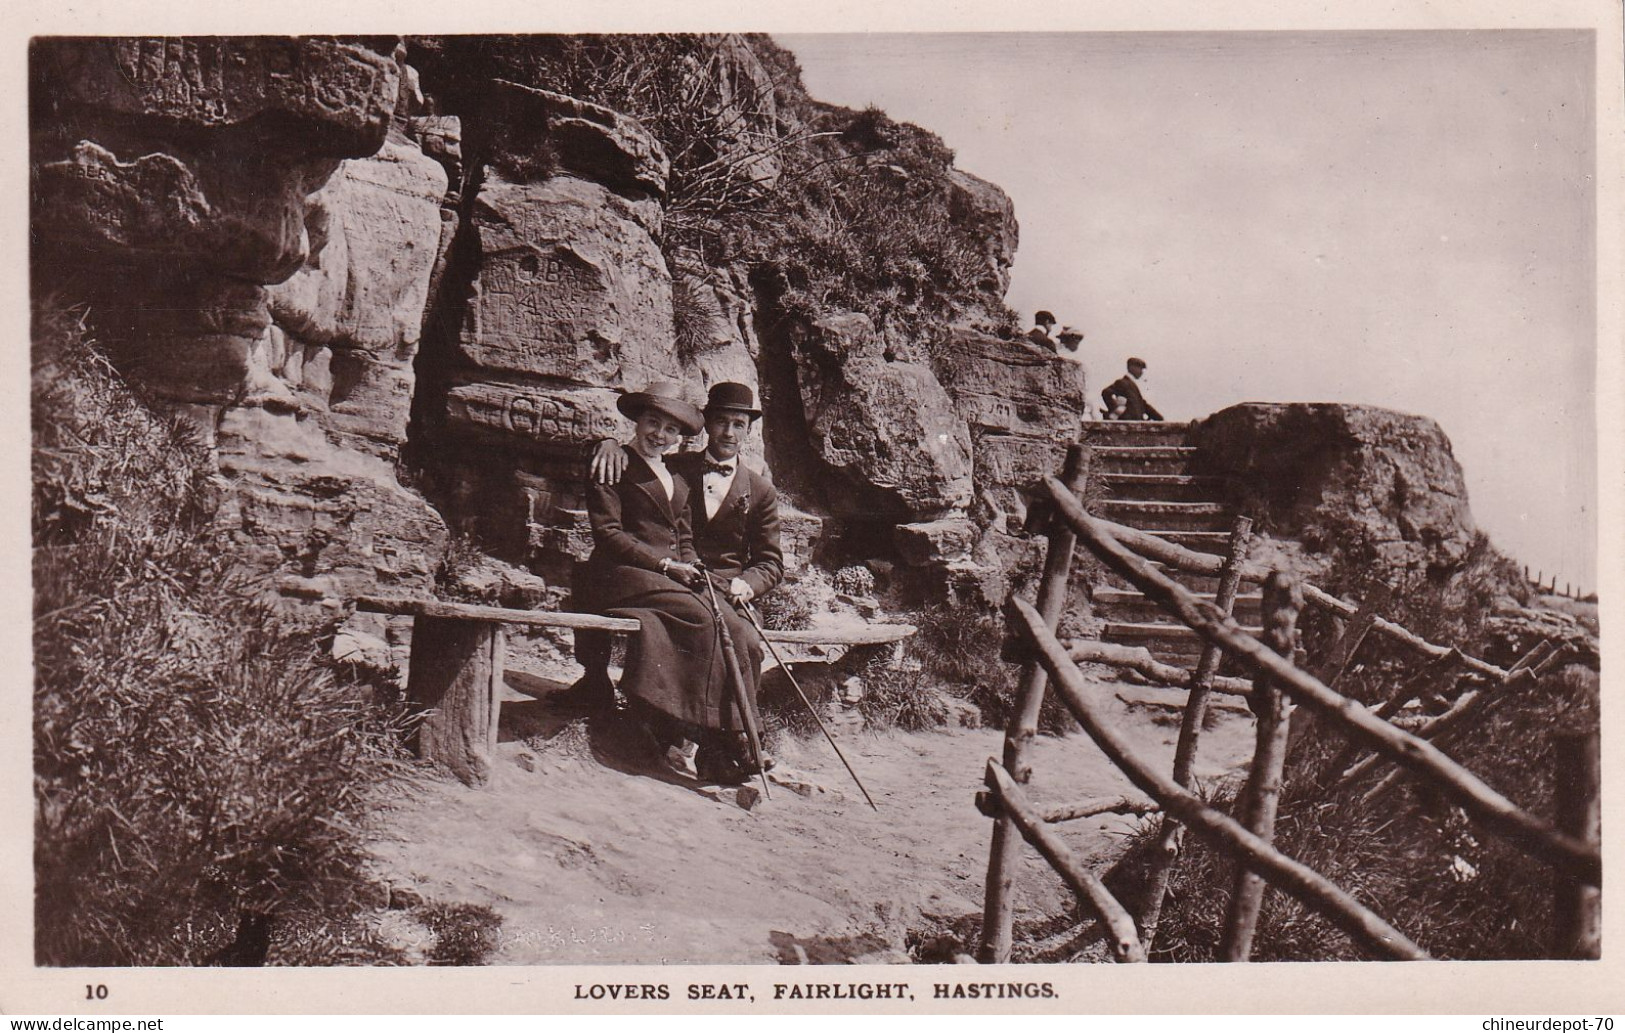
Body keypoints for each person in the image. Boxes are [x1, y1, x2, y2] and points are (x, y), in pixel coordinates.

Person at [576, 381, 779, 783]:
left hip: (698, 580)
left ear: (748, 430)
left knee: (739, 633)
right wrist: (603, 442)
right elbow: (611, 530)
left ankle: (730, 741)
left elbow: (761, 559)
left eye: (738, 424)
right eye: (720, 422)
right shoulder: (664, 465)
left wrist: (737, 583)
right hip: (636, 573)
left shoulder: (745, 487)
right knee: (704, 621)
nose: (728, 433)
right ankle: (719, 737)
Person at [1101, 357, 1164, 421]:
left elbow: (1142, 404)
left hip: (1135, 424)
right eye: (1140, 368)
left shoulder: (1131, 384)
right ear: (1131, 367)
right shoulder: (1122, 382)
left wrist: (1159, 418)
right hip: (1128, 424)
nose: (1142, 372)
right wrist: (1117, 411)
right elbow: (1106, 393)